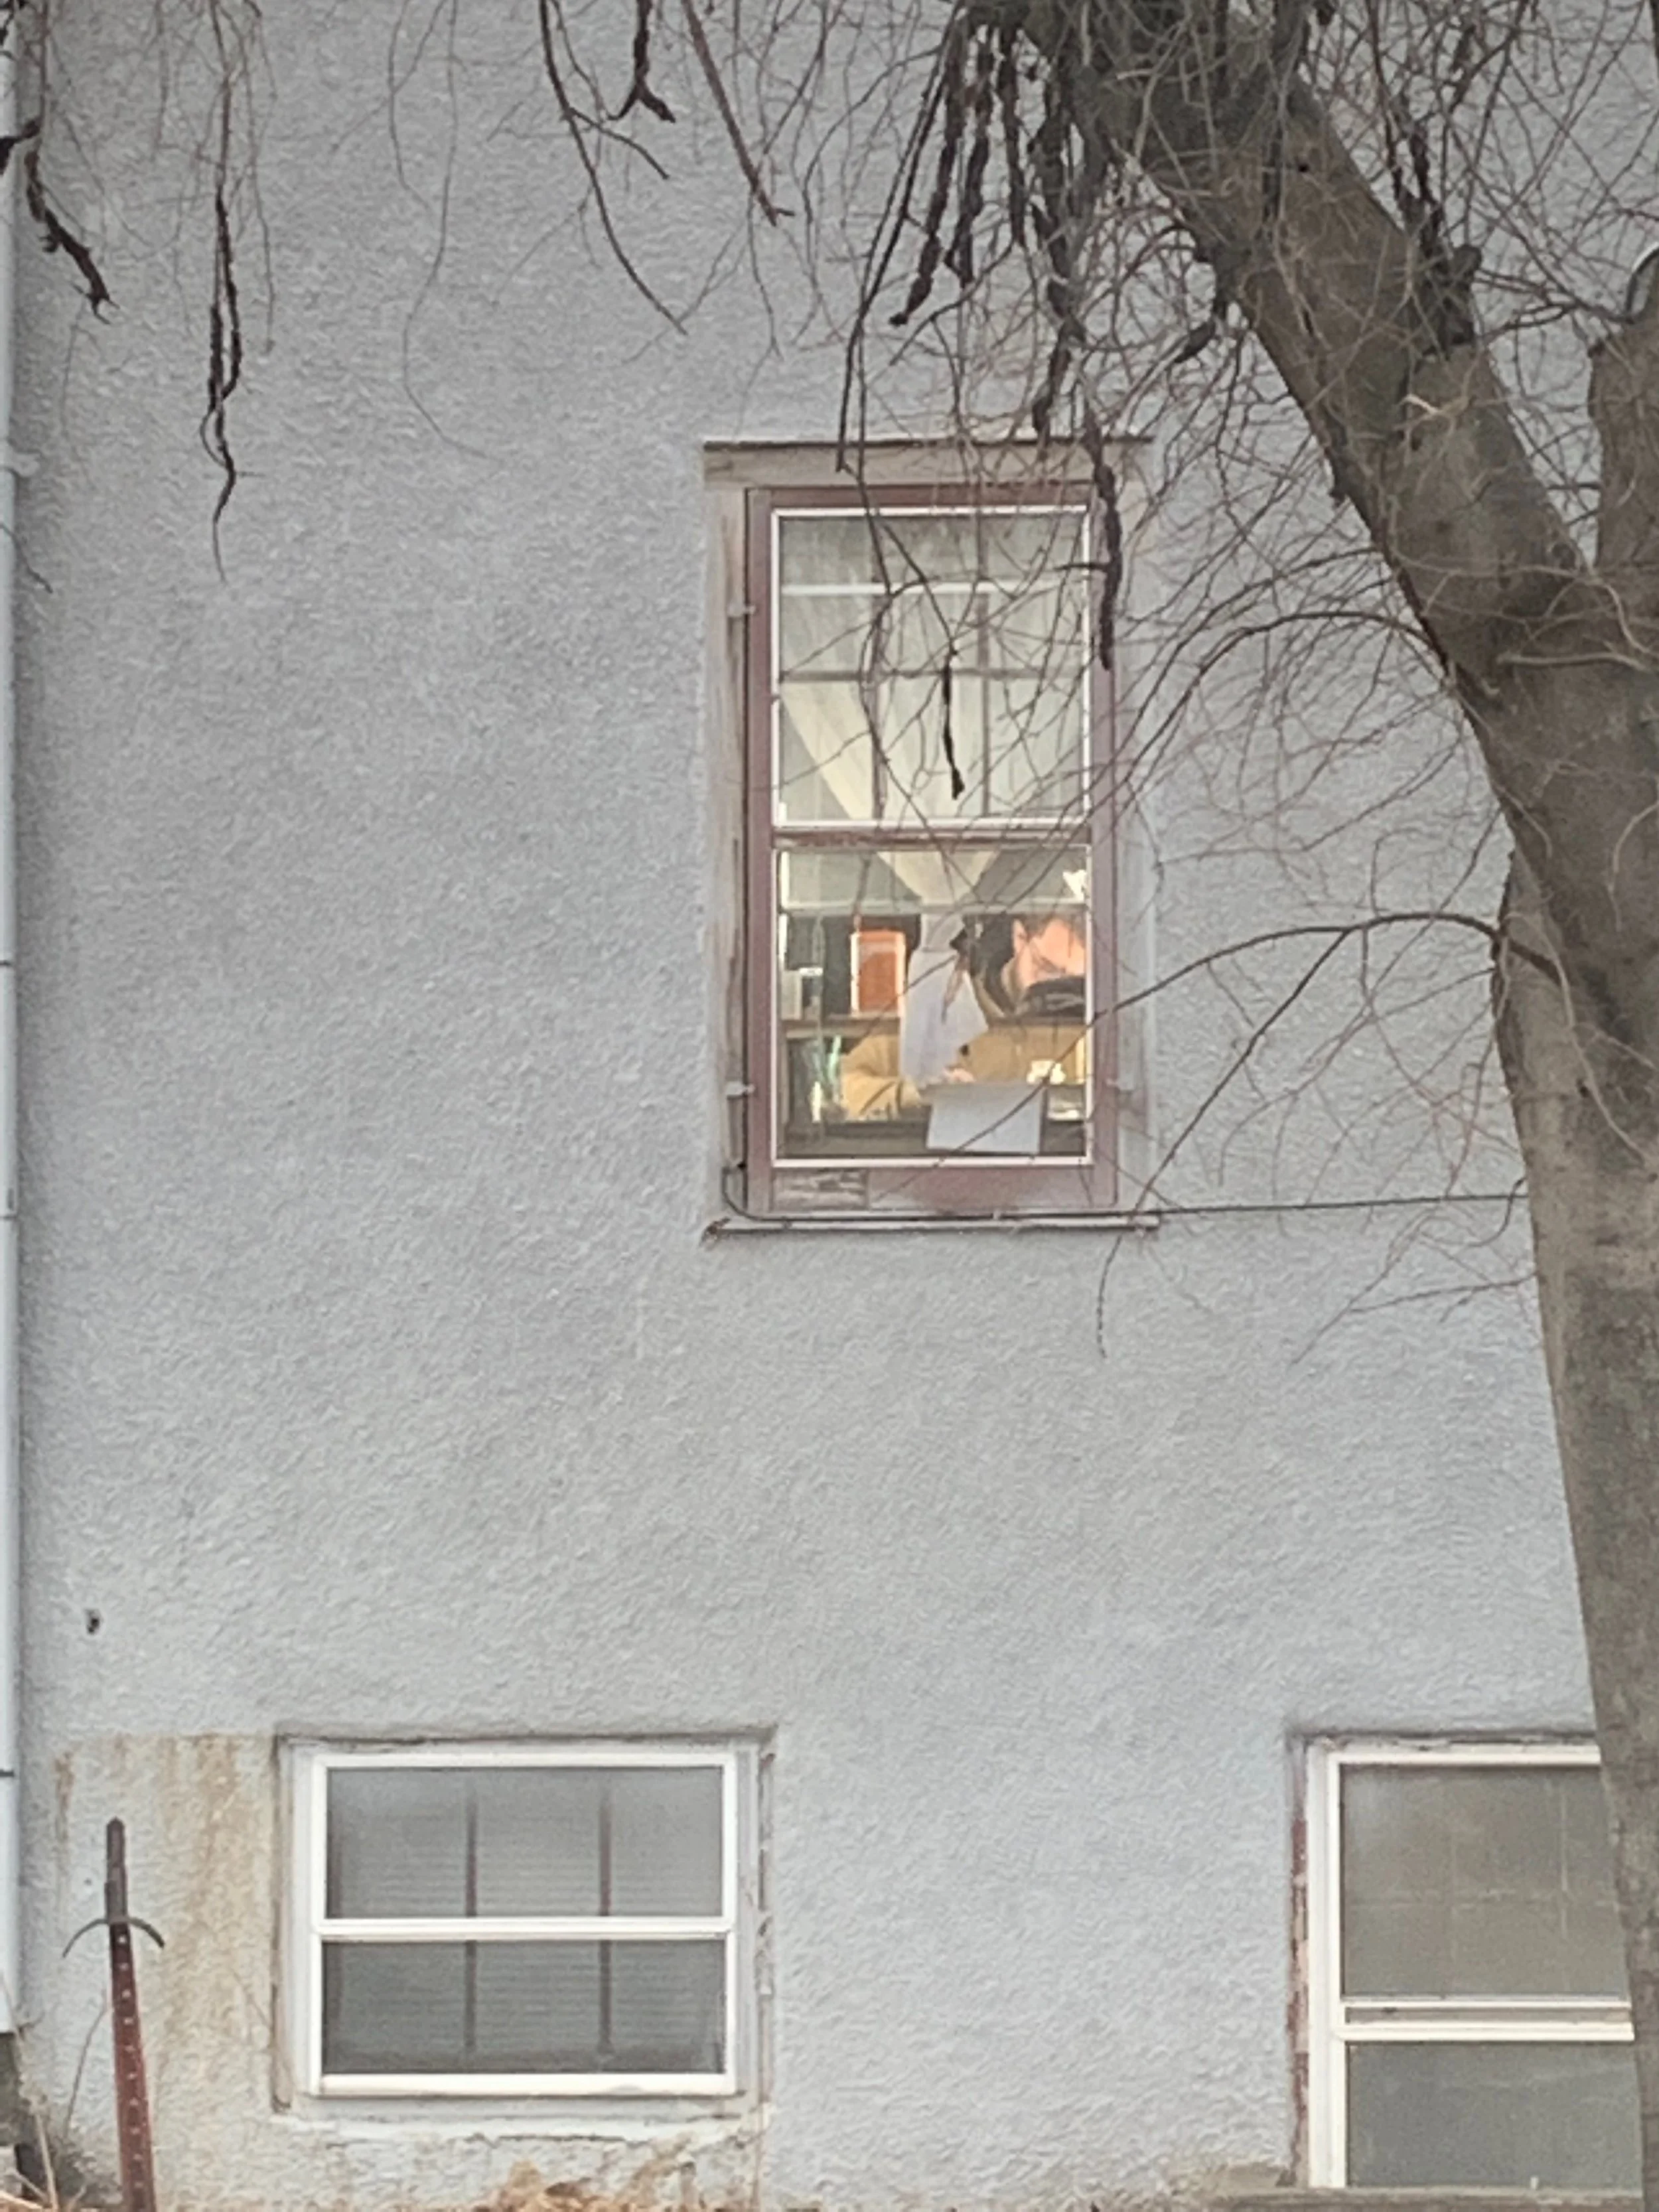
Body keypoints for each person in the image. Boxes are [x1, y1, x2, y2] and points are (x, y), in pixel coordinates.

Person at [839, 902, 1088, 1121]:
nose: (1057, 987)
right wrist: (920, 1095)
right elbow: (847, 1087)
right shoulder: (950, 1007)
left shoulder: (1084, 1029)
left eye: (1075, 980)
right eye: (1047, 968)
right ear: (1019, 938)